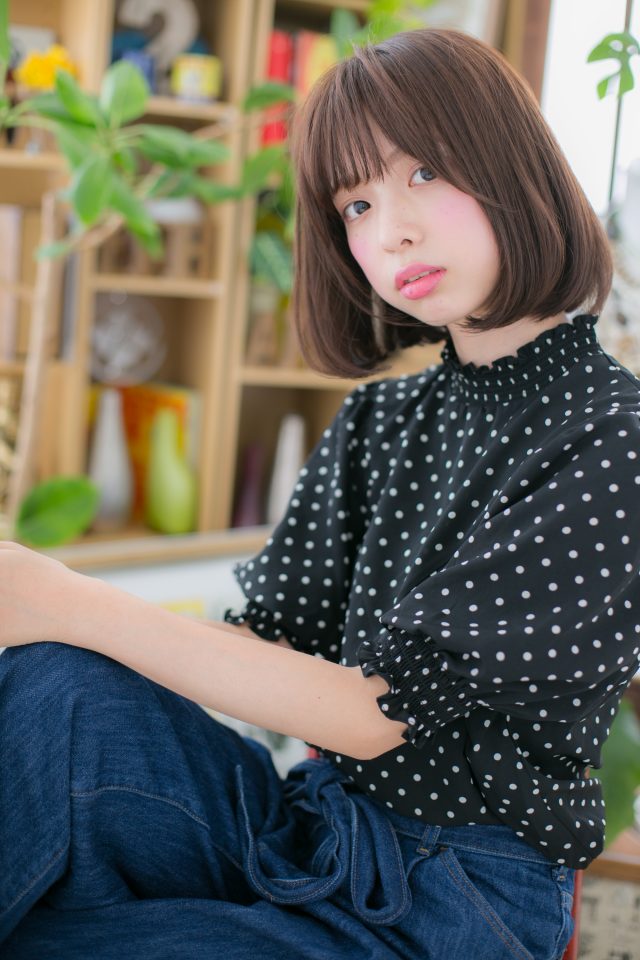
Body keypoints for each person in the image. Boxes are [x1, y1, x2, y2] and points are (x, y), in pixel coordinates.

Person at [0, 27, 638, 960]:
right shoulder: (383, 420)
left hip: (455, 907)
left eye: (425, 172)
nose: (390, 231)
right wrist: (44, 610)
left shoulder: (612, 438)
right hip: (309, 832)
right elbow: (264, 650)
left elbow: (377, 715)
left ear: (515, 166)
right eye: (356, 203)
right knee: (53, 688)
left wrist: (65, 598)